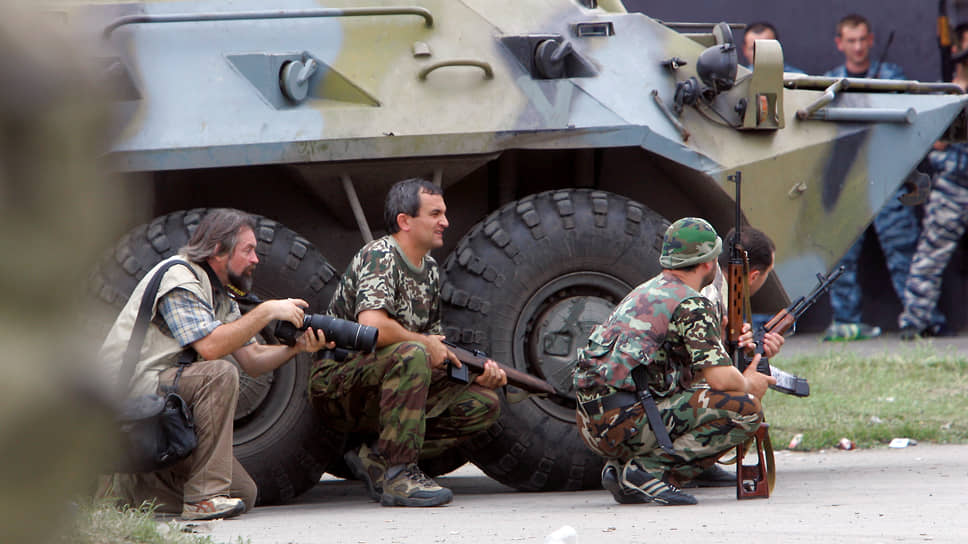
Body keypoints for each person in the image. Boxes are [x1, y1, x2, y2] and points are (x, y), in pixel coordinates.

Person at [98, 208, 331, 520]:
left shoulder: (220, 295)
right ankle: (203, 499)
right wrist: (265, 313)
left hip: (162, 401)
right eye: (248, 250)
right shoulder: (179, 278)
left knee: (244, 493)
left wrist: (297, 349)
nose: (256, 260)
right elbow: (211, 347)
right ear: (219, 250)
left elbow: (253, 361)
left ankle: (123, 492)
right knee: (218, 373)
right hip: (128, 395)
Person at [309, 178, 507, 508]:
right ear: (405, 221)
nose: (445, 222)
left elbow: (435, 347)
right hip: (338, 384)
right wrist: (425, 345)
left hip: (389, 378)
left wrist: (478, 374)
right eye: (435, 213)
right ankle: (398, 475)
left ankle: (376, 457)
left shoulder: (429, 269)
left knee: (483, 403)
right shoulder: (381, 255)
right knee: (412, 352)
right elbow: (372, 326)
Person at [573, 218, 776, 506]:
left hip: (591, 423)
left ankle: (622, 468)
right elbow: (720, 379)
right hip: (623, 423)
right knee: (745, 408)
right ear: (709, 263)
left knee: (697, 391)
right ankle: (649, 470)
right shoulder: (692, 303)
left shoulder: (645, 292)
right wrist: (749, 383)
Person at [821, 13, 943, 341]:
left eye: (863, 39)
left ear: (871, 40)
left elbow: (910, 123)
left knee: (904, 249)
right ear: (840, 43)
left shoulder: (890, 77)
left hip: (888, 178)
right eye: (851, 40)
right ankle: (846, 320)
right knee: (841, 252)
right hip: (848, 184)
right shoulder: (831, 82)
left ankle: (921, 317)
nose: (858, 47)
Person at [898, 23, 968, 340]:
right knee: (930, 255)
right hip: (953, 184)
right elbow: (936, 142)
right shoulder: (951, 90)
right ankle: (914, 321)